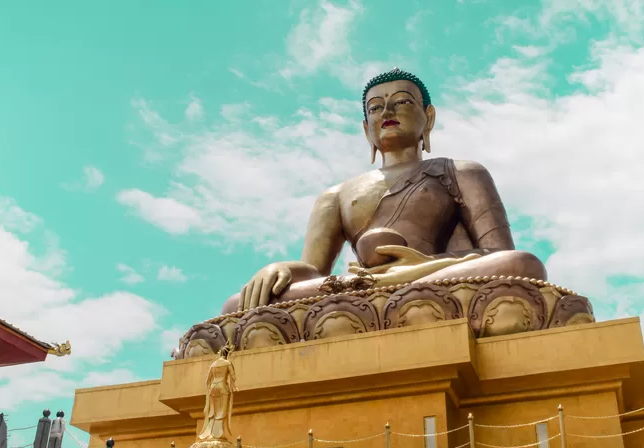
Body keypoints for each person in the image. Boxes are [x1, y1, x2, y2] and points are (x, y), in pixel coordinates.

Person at [225, 68, 545, 314]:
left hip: (433, 279)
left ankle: (395, 292)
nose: (387, 113)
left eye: (402, 102)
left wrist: (419, 266)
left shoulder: (462, 172)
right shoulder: (336, 195)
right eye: (376, 108)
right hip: (361, 289)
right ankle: (388, 295)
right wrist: (280, 270)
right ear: (366, 128)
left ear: (428, 118)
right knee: (238, 305)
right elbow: (314, 273)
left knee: (522, 265)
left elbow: (500, 256)